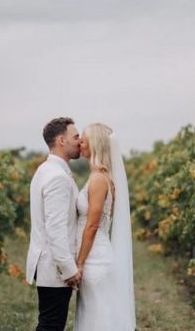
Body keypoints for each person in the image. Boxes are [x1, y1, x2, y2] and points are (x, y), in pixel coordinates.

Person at [74, 123, 136, 331]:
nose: (80, 142)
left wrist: (79, 263)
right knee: (97, 313)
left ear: (95, 144)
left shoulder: (99, 179)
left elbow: (92, 225)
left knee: (97, 318)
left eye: (83, 138)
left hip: (94, 258)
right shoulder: (100, 177)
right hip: (96, 253)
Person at [26, 117, 82, 331]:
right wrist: (69, 268)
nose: (80, 141)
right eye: (75, 137)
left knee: (51, 324)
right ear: (61, 140)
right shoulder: (57, 176)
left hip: (50, 264)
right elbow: (55, 228)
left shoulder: (45, 169)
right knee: (51, 325)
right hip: (55, 266)